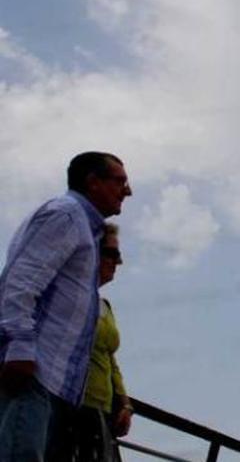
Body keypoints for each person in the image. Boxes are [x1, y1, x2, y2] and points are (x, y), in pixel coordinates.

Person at [0, 152, 132, 462]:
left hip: (53, 386)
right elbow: (19, 283)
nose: (127, 190)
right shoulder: (66, 215)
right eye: (120, 181)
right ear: (93, 182)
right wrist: (19, 348)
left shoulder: (83, 227)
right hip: (34, 374)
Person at [54, 223, 132, 462]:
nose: (117, 262)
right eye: (111, 254)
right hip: (72, 407)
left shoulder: (105, 306)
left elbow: (110, 358)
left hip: (103, 411)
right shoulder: (67, 297)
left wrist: (125, 403)